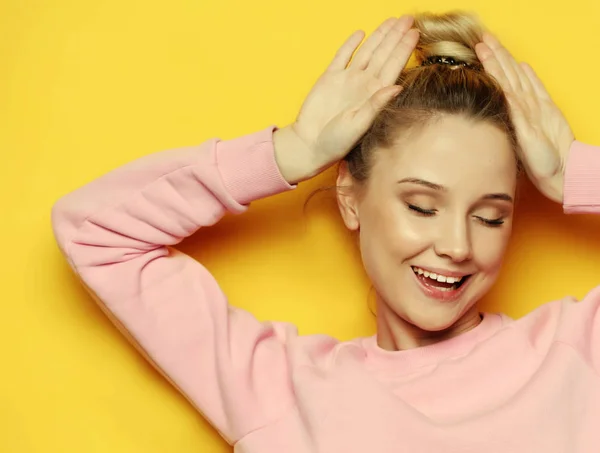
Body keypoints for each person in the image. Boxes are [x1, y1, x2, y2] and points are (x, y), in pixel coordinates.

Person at [51, 11, 600, 453]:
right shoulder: (282, 391)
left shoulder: (578, 353)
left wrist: (569, 172)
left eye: (490, 217)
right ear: (350, 198)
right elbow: (95, 232)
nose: (458, 246)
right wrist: (290, 152)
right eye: (421, 206)